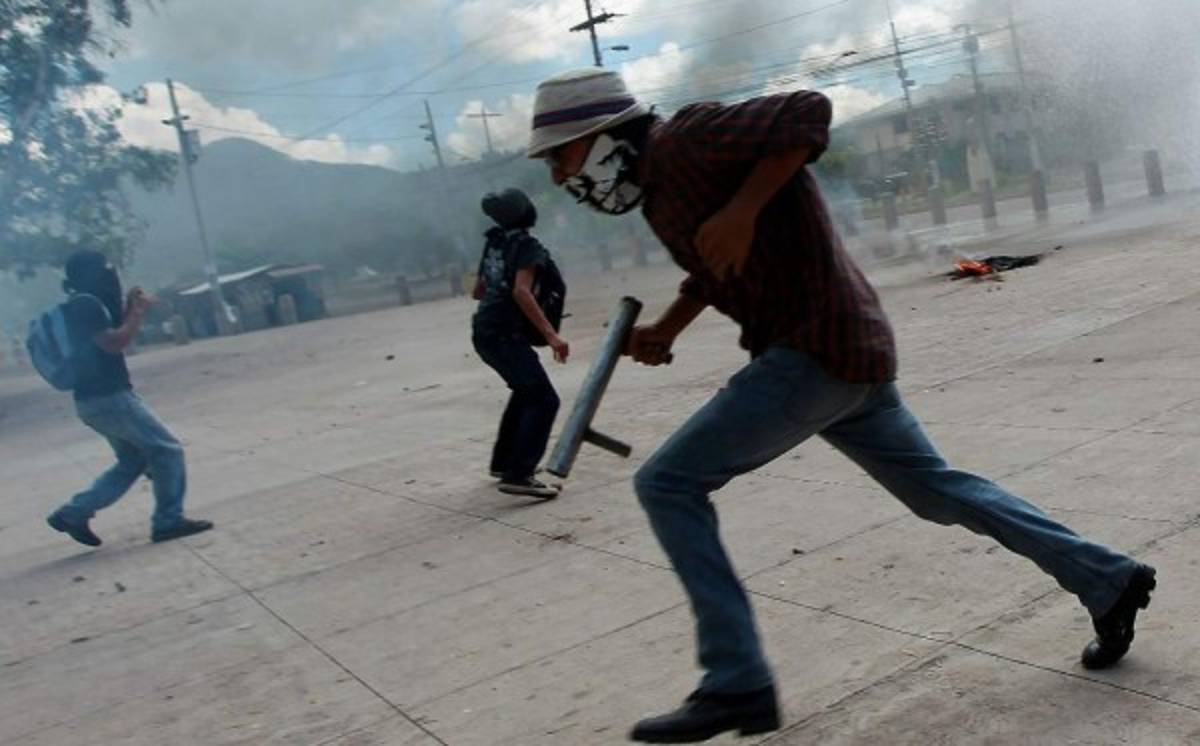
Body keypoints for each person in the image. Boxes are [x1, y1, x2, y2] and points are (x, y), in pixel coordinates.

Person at [527, 68, 1157, 743]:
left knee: (667, 482)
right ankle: (1107, 577)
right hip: (845, 349)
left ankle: (737, 682)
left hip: (814, 348)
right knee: (937, 491)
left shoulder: (689, 138)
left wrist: (742, 211)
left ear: (600, 137)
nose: (562, 178)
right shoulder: (660, 190)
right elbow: (716, 263)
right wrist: (669, 328)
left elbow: (809, 111)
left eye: (561, 157)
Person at [46, 250, 213, 547]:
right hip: (110, 398)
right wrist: (136, 313)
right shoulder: (85, 306)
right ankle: (168, 520)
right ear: (91, 273)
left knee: (132, 460)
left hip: (93, 401)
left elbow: (109, 336)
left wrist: (129, 307)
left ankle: (74, 512)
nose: (111, 275)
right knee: (167, 450)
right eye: (105, 270)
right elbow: (114, 343)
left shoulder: (83, 303)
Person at [472, 188, 570, 499]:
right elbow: (521, 292)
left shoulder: (494, 241)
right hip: (504, 333)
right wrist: (551, 335)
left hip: (483, 330)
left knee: (526, 392)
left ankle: (504, 463)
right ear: (526, 212)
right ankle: (519, 474)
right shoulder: (527, 246)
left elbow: (477, 290)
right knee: (544, 400)